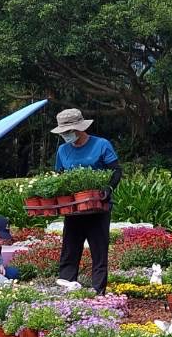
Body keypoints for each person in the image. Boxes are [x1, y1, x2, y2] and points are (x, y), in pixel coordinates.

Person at [51, 108, 122, 294]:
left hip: (98, 208)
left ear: (80, 128)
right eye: (63, 133)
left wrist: (108, 188)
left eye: (69, 132)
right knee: (69, 250)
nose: (66, 136)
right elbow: (59, 177)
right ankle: (67, 290)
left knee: (99, 251)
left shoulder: (101, 145)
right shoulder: (62, 150)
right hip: (73, 209)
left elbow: (115, 170)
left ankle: (98, 292)